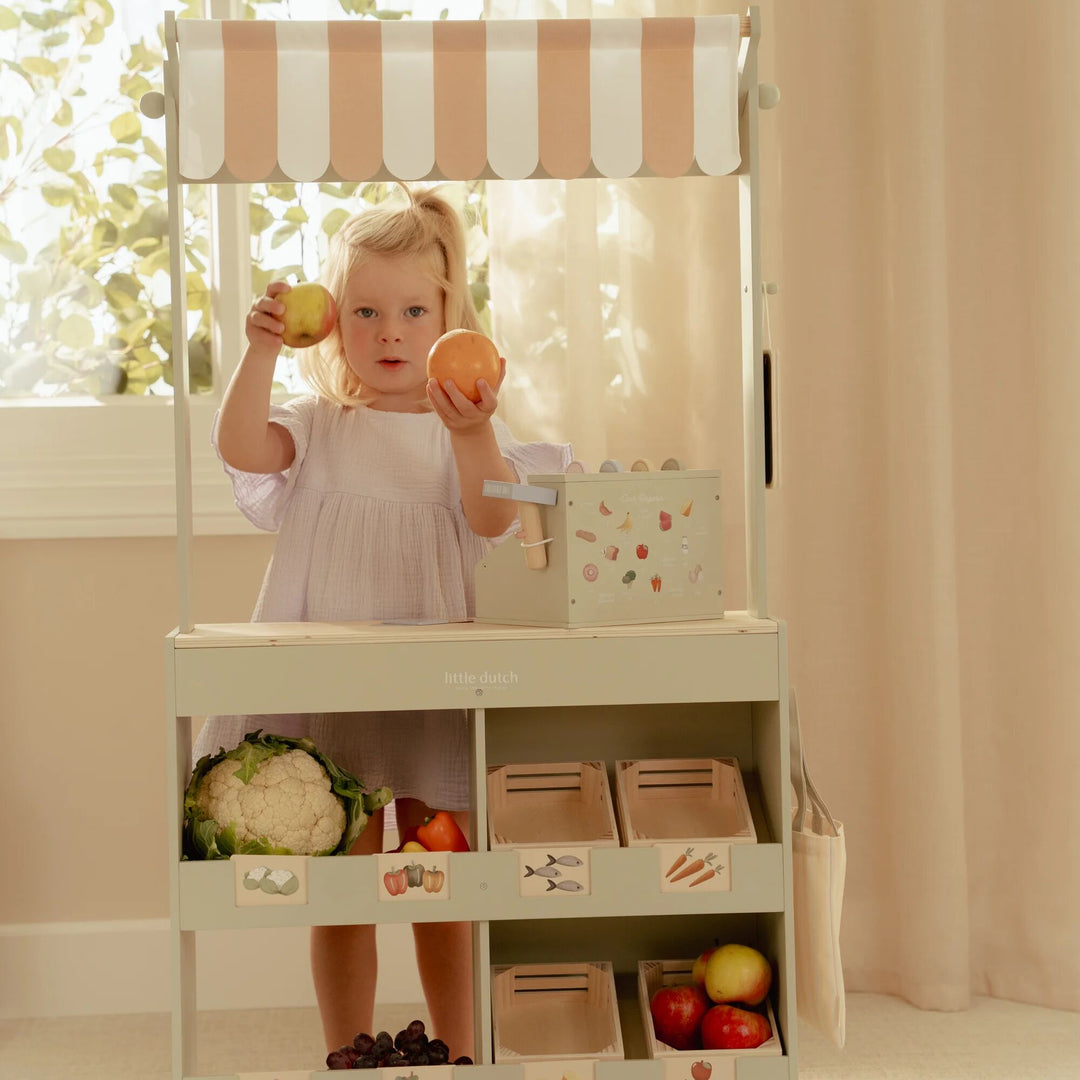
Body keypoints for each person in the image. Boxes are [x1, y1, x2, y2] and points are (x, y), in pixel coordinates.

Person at [192, 185, 572, 1057]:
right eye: (364, 311)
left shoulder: (465, 428)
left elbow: (490, 521)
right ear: (331, 325)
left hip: (438, 687)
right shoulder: (322, 426)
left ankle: (461, 1051)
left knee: (445, 891)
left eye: (411, 310)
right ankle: (349, 1053)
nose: (390, 332)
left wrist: (473, 434)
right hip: (337, 698)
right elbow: (241, 449)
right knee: (344, 895)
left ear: (448, 316)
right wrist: (256, 354)